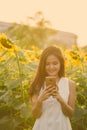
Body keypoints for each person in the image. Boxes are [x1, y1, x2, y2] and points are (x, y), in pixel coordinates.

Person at [29, 46, 76, 130]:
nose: (51, 67)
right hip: (42, 126)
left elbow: (70, 114)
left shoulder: (70, 84)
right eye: (47, 64)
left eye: (55, 63)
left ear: (61, 63)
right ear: (43, 65)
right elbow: (36, 115)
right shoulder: (37, 85)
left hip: (62, 126)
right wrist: (40, 100)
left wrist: (61, 100)